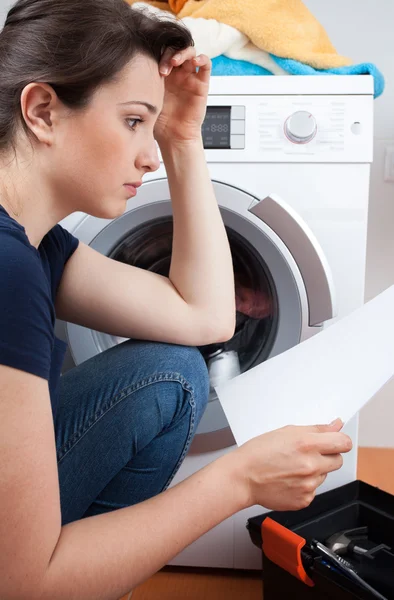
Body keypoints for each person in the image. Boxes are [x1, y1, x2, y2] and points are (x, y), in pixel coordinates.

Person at [0, 0, 352, 598]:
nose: (148, 153)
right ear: (42, 111)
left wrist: (183, 139)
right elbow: (19, 583)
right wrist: (238, 480)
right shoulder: (6, 264)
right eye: (134, 121)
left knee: (171, 371)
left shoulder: (38, 245)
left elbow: (203, 317)